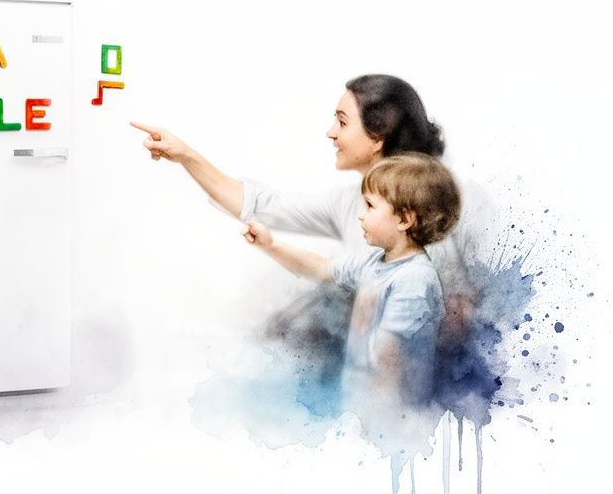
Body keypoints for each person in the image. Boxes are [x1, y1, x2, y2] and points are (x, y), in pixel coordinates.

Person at [132, 74, 498, 413]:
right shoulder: (357, 220)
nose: (330, 133)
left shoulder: (438, 229)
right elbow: (275, 220)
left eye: (342, 121)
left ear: (377, 137)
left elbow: (446, 333)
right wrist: (185, 156)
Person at [242, 153, 461, 407]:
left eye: (370, 206)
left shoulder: (414, 280)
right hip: (362, 408)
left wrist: (373, 418)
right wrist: (270, 245)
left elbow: (391, 359)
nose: (360, 215)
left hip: (392, 415)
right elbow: (321, 268)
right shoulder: (374, 261)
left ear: (403, 219)